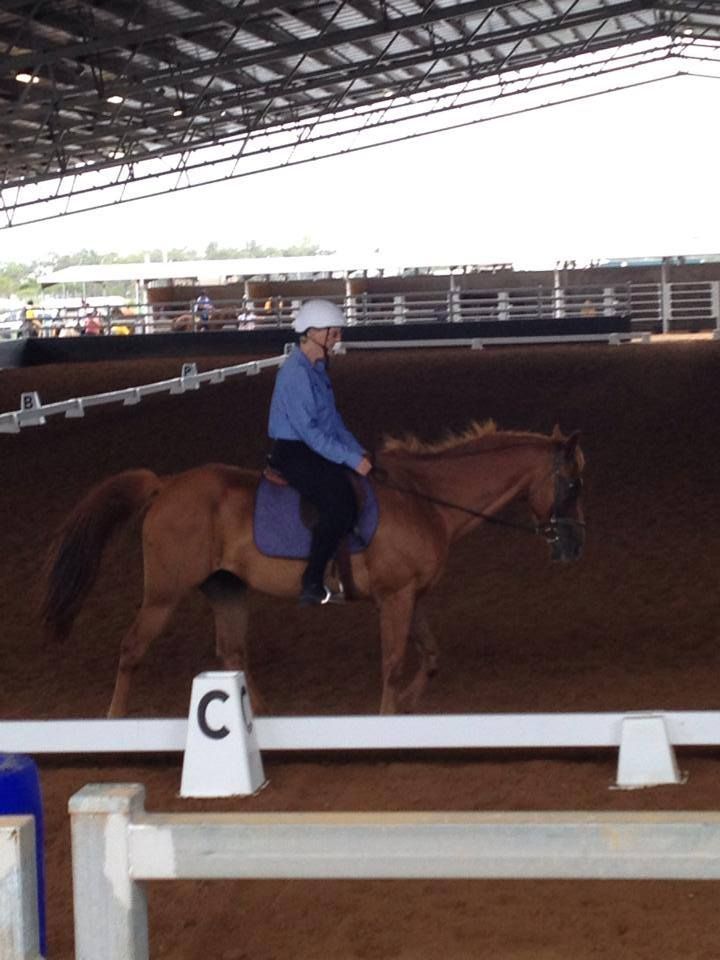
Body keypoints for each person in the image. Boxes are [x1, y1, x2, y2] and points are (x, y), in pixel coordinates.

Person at [267, 299, 373, 606]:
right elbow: (310, 432)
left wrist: (357, 452)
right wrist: (350, 459)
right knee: (338, 503)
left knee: (353, 484)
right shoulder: (295, 374)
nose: (337, 338)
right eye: (333, 332)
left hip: (312, 446)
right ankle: (311, 582)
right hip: (294, 451)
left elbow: (333, 422)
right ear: (313, 333)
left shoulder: (317, 369)